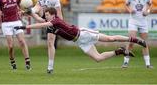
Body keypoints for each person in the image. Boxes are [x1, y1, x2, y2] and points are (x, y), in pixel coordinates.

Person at [14, 8, 148, 73]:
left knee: (109, 38)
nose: (46, 16)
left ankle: (134, 39)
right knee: (98, 58)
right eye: (46, 15)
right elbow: (39, 20)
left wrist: (25, 26)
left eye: (47, 15)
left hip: (83, 34)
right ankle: (119, 51)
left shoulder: (55, 21)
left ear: (53, 15)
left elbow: (41, 25)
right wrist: (28, 13)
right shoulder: (51, 22)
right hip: (80, 42)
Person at [0, 0, 31, 70]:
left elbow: (20, 8)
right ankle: (12, 61)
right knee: (10, 46)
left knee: (22, 41)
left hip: (16, 21)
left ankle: (27, 62)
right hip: (6, 23)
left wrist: (21, 12)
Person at [28, 0, 63, 73]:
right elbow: (38, 6)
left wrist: (61, 24)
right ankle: (28, 12)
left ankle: (50, 67)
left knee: (50, 42)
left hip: (53, 20)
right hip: (44, 15)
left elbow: (59, 12)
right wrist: (32, 10)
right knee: (36, 14)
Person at [122, 0, 153, 69]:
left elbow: (150, 5)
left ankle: (147, 64)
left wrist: (147, 12)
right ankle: (125, 62)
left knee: (144, 43)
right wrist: (130, 10)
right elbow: (126, 5)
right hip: (133, 21)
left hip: (143, 22)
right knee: (131, 42)